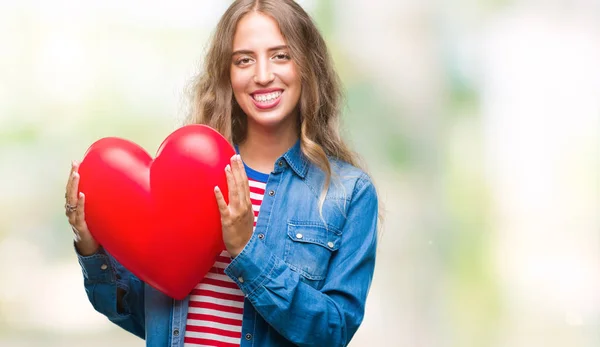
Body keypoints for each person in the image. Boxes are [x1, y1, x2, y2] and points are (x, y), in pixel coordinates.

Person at [64, 1, 379, 346]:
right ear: (227, 74)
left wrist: (247, 251)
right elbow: (143, 315)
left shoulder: (348, 193)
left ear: (308, 65)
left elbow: (332, 332)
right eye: (244, 59)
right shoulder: (188, 177)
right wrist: (91, 247)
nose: (262, 75)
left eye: (280, 56)